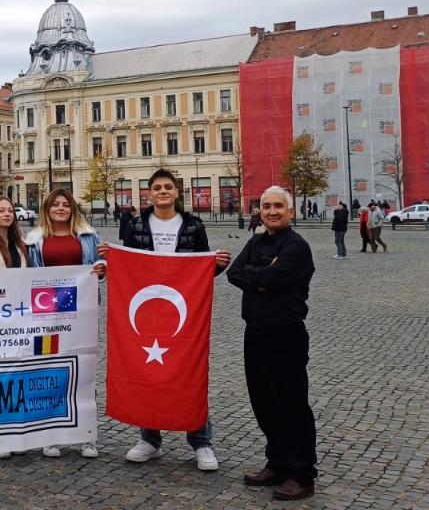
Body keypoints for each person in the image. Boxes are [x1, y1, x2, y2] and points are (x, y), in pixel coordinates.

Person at [97, 169, 231, 472]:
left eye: (168, 187)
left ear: (176, 192)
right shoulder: (136, 224)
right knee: (148, 372)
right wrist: (110, 258)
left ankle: (201, 441)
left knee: (189, 370)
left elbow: (201, 270)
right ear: (149, 193)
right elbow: (127, 262)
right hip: (146, 308)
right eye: (157, 188)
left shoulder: (193, 225)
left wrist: (217, 264)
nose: (162, 192)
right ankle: (150, 440)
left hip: (182, 308)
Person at [226, 186, 318, 501]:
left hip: (286, 334)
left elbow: (276, 280)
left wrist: (262, 278)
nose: (272, 212)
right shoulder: (257, 240)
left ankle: (302, 473)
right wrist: (262, 277)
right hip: (255, 332)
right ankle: (277, 462)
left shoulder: (297, 247)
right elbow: (234, 274)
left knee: (291, 405)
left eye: (278, 206)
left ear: (290, 211)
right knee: (263, 403)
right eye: (266, 207)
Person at [24, 188, 107, 459]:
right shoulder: (35, 240)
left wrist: (101, 267)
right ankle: (52, 434)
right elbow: (26, 275)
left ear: (72, 209)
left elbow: (100, 263)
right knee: (51, 370)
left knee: (84, 370)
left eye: (66, 205)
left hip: (81, 312)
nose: (61, 208)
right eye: (55, 205)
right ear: (47, 210)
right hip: (47, 315)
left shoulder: (88, 235)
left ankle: (86, 435)